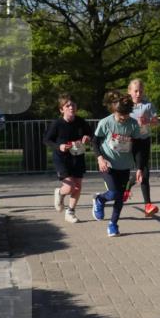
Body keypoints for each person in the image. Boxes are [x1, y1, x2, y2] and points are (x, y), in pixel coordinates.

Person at [92, 92, 143, 237]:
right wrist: (100, 158)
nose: (124, 118)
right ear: (114, 110)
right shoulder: (106, 122)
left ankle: (113, 224)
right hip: (108, 164)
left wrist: (139, 167)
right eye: (121, 115)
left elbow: (138, 148)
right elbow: (94, 142)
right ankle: (100, 199)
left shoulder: (133, 125)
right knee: (114, 193)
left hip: (124, 165)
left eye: (126, 115)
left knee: (120, 197)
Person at [43, 94, 93, 223]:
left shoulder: (81, 121)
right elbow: (47, 140)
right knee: (70, 187)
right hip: (62, 158)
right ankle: (59, 193)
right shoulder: (57, 124)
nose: (71, 107)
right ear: (62, 109)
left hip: (78, 156)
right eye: (68, 106)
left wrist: (87, 137)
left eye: (73, 105)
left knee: (78, 186)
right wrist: (59, 146)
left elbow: (90, 134)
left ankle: (70, 212)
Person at [125, 79, 160, 217]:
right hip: (130, 141)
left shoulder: (148, 105)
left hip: (144, 140)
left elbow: (157, 122)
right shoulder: (126, 105)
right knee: (141, 170)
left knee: (144, 171)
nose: (138, 93)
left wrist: (148, 121)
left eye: (140, 90)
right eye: (135, 91)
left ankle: (147, 204)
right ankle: (145, 202)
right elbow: (120, 119)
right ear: (129, 91)